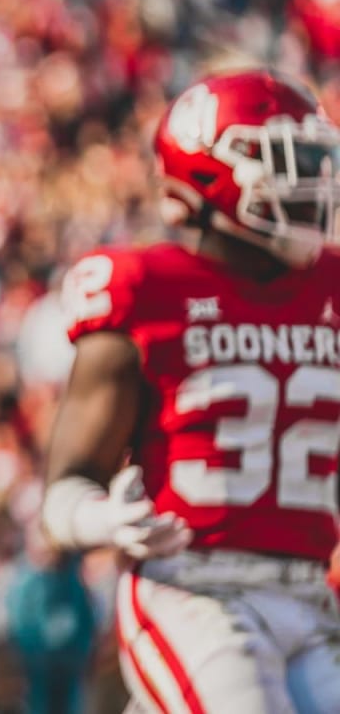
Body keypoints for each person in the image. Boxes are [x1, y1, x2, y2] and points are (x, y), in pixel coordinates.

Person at [41, 68, 340, 713]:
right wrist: (103, 519)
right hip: (193, 591)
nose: (313, 184)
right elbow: (63, 490)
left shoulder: (333, 288)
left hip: (313, 594)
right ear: (209, 175)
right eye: (290, 163)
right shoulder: (147, 288)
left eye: (319, 161)